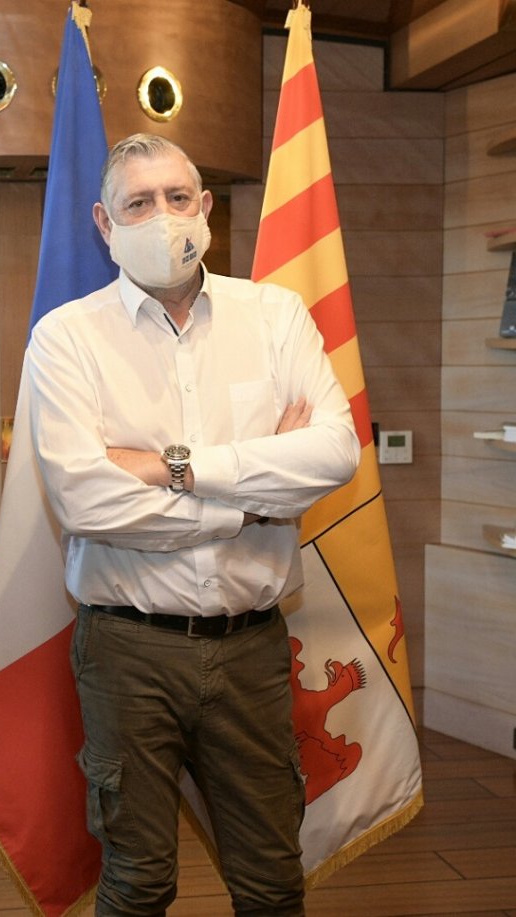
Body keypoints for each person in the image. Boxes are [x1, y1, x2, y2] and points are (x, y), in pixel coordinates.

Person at [26, 133, 360, 916]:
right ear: (105, 224)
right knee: (139, 882)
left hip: (250, 648)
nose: (163, 215)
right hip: (127, 648)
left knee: (273, 880)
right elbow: (85, 501)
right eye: (139, 203)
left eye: (178, 197)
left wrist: (172, 466)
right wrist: (254, 494)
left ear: (206, 209)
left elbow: (335, 452)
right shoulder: (66, 338)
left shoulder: (275, 315)